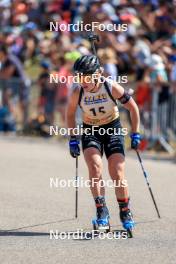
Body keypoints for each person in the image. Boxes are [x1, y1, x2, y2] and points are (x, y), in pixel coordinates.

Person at [66, 55, 141, 232]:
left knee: (117, 170)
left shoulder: (110, 86)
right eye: (79, 77)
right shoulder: (78, 91)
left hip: (112, 129)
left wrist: (136, 133)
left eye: (86, 77)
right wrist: (72, 138)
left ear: (97, 75)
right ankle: (102, 210)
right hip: (91, 130)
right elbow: (69, 115)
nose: (82, 81)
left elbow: (133, 107)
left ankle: (125, 210)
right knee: (95, 167)